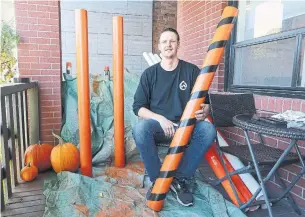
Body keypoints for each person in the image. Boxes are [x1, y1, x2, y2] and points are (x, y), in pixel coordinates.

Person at [132, 28, 216, 207]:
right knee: (140, 129)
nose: (168, 45)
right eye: (164, 42)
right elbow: (138, 108)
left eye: (172, 41)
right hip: (159, 127)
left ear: (178, 44)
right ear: (159, 47)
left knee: (208, 130)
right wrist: (160, 119)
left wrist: (205, 111)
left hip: (187, 127)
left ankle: (181, 179)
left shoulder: (192, 71)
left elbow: (206, 102)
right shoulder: (149, 74)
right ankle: (158, 180)